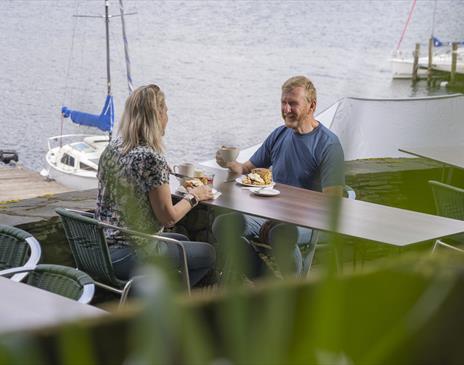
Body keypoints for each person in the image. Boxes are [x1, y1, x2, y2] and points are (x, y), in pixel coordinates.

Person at [214, 75, 345, 277]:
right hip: (273, 215)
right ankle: (267, 283)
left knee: (280, 234)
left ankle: (294, 289)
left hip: (312, 223)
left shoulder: (328, 145)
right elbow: (248, 170)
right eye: (283, 103)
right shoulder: (279, 135)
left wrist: (284, 218)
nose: (286, 110)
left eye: (293, 104)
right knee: (223, 225)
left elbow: (332, 203)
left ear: (312, 106)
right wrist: (228, 163)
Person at [95, 84, 216, 287]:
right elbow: (168, 218)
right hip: (129, 253)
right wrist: (194, 196)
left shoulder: (112, 148)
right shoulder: (151, 158)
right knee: (208, 253)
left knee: (182, 241)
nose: (167, 117)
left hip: (101, 248)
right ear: (157, 115)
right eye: (166, 111)